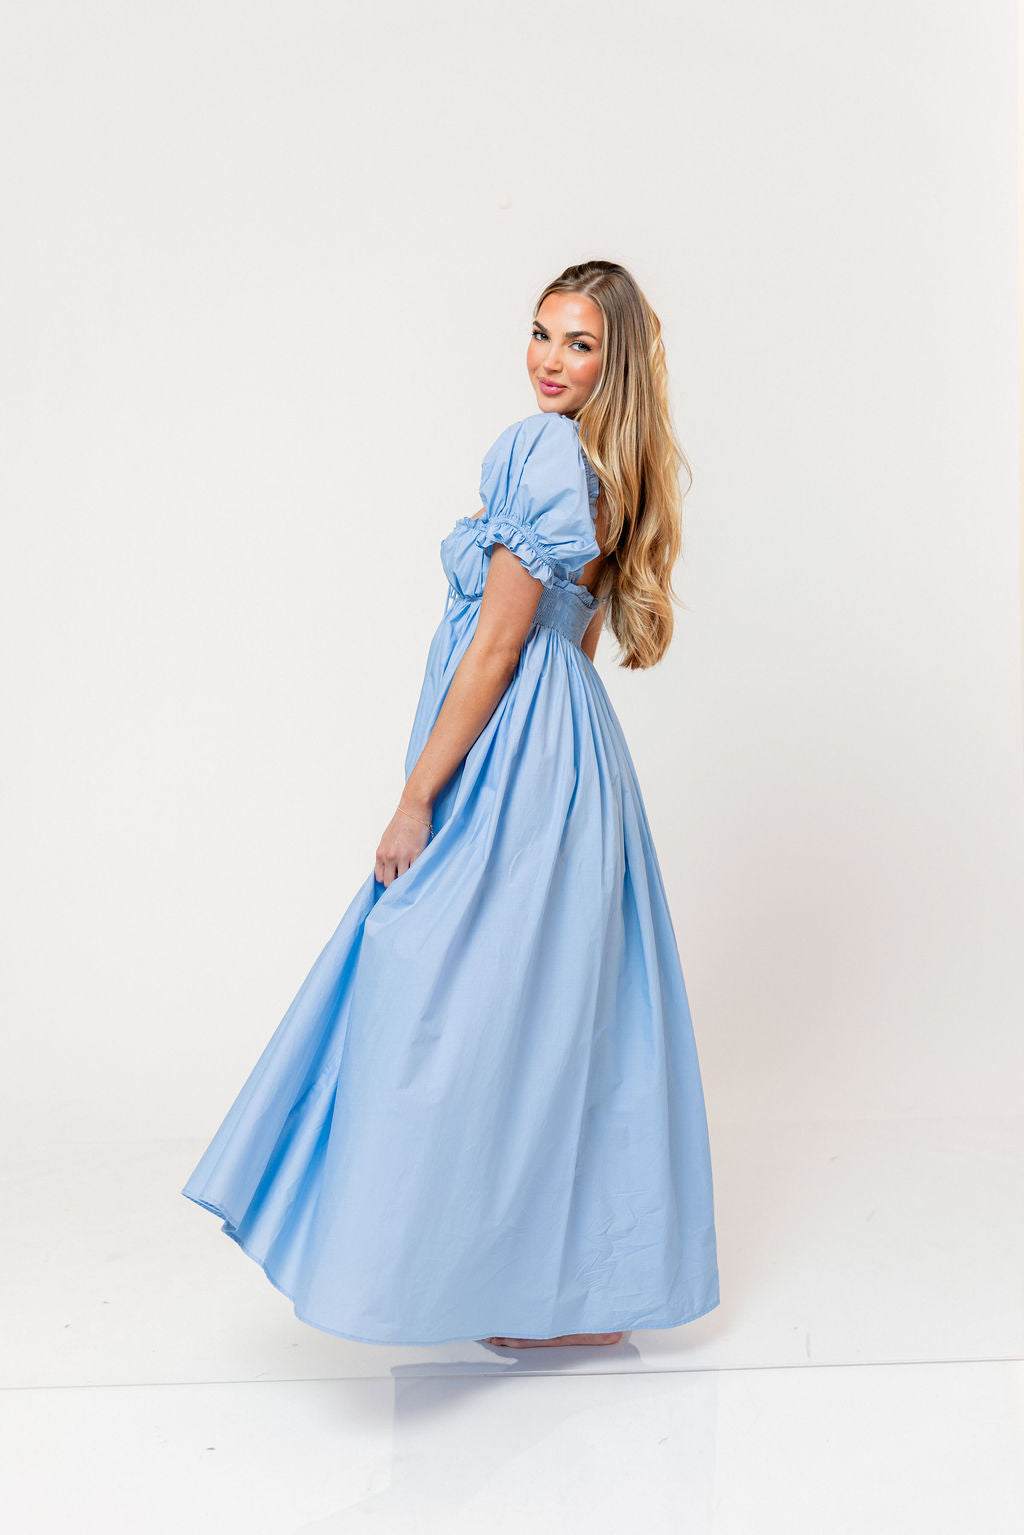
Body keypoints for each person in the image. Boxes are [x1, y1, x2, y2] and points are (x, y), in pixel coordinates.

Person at [181, 259, 720, 1351]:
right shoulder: (610, 466)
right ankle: (558, 1298)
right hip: (573, 760)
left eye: (579, 344)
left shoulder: (540, 452)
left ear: (613, 363)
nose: (550, 360)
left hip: (514, 753)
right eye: (541, 333)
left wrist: (418, 795)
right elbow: (571, 647)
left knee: (436, 994)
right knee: (547, 1016)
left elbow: (498, 647)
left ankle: (431, 1271)